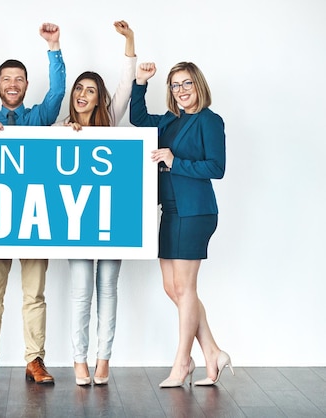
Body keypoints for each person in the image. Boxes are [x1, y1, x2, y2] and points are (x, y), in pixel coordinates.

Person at [0, 22, 66, 386]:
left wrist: (53, 47)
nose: (13, 84)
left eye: (19, 79)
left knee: (34, 294)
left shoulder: (39, 119)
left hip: (34, 219)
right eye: (6, 79)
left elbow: (58, 91)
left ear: (26, 86)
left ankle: (35, 360)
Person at [130, 61, 232, 387]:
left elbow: (216, 167)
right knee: (173, 288)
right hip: (170, 211)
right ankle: (213, 352)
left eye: (187, 84)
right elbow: (138, 119)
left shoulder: (209, 120)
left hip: (196, 211)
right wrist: (141, 83)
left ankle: (182, 362)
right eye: (175, 85)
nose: (181, 91)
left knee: (186, 289)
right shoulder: (170, 122)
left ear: (198, 85)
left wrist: (176, 162)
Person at [53, 20, 136, 386]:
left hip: (112, 219)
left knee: (108, 288)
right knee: (82, 290)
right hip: (77, 221)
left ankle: (104, 359)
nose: (84, 94)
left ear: (99, 98)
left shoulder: (110, 122)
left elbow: (125, 85)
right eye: (79, 89)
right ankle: (79, 361)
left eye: (91, 90)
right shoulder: (58, 128)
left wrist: (130, 42)